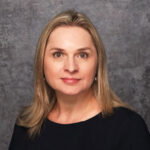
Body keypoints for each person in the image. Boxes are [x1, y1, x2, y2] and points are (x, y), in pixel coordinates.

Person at [9, 9, 150, 150]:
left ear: (97, 64)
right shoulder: (26, 125)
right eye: (58, 54)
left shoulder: (129, 128)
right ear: (42, 63)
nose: (71, 67)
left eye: (82, 55)